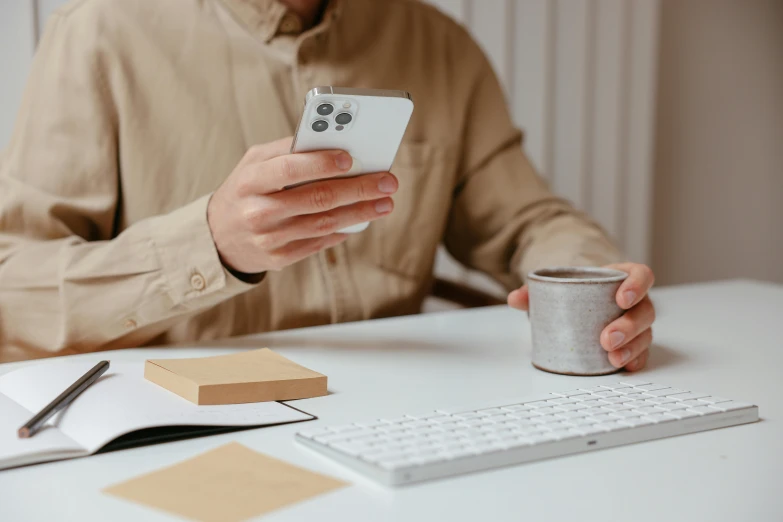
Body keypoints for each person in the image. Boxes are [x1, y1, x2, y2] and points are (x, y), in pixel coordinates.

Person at [0, 0, 655, 367]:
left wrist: (600, 291)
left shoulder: (440, 44)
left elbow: (528, 221)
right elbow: (13, 288)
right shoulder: (99, 33)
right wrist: (208, 246)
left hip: (395, 415)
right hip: (178, 421)